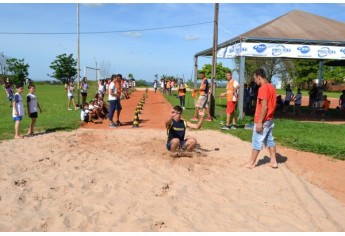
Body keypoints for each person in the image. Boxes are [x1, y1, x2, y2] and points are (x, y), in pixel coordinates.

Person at [244, 69, 278, 169]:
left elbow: (264, 106)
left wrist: (259, 122)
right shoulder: (272, 87)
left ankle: (251, 163)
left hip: (263, 120)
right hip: (270, 119)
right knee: (269, 140)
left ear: (259, 76)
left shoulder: (263, 88)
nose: (255, 81)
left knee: (257, 140)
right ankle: (273, 161)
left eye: (255, 78)